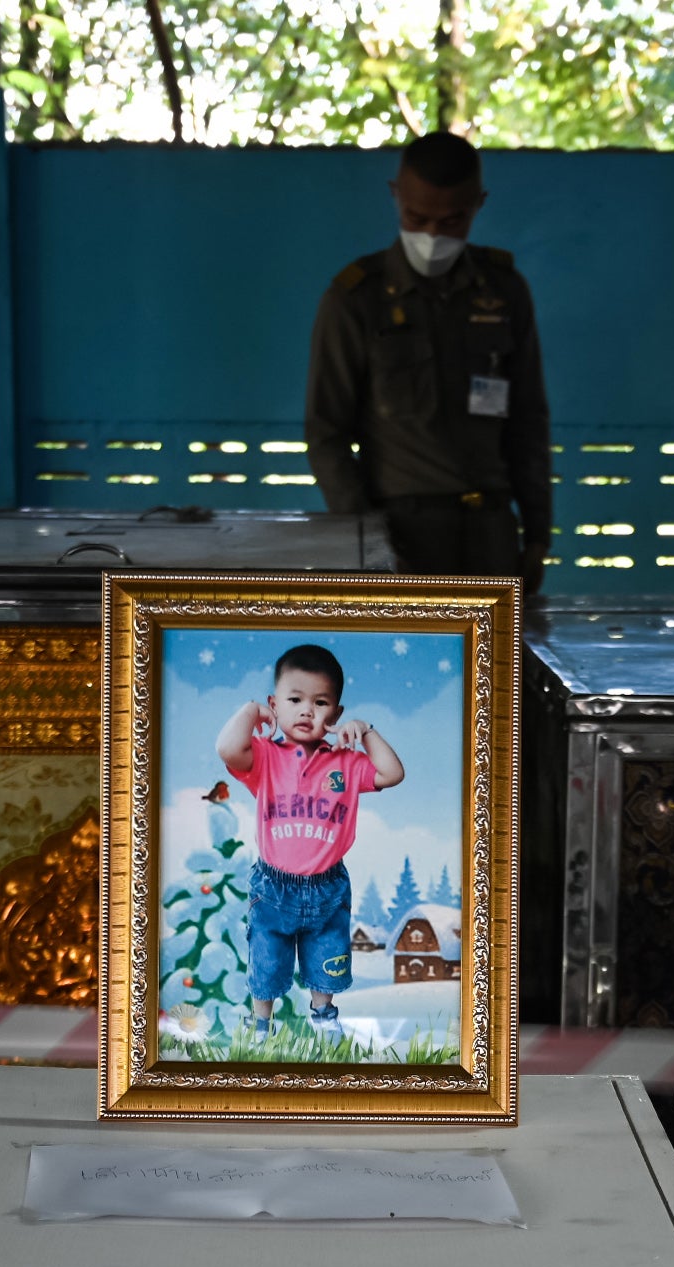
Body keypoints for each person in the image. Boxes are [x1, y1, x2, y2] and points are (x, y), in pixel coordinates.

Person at [304, 130, 554, 586]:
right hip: (403, 533)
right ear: (395, 196)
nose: (433, 234)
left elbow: (528, 420)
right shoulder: (358, 298)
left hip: (492, 531)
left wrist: (538, 533)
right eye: (417, 217)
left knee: (499, 659)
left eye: (452, 220)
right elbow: (326, 434)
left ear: (479, 203)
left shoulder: (503, 291)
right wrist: (367, 540)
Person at [216, 643, 403, 1029]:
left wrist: (366, 732)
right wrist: (251, 710)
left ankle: (324, 1015)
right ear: (275, 703)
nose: (306, 710)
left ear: (336, 713)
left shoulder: (346, 763)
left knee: (327, 957)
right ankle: (260, 1024)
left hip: (327, 886)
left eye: (320, 702)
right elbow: (227, 748)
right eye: (295, 699)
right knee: (266, 960)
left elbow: (392, 774)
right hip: (273, 886)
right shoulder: (265, 756)